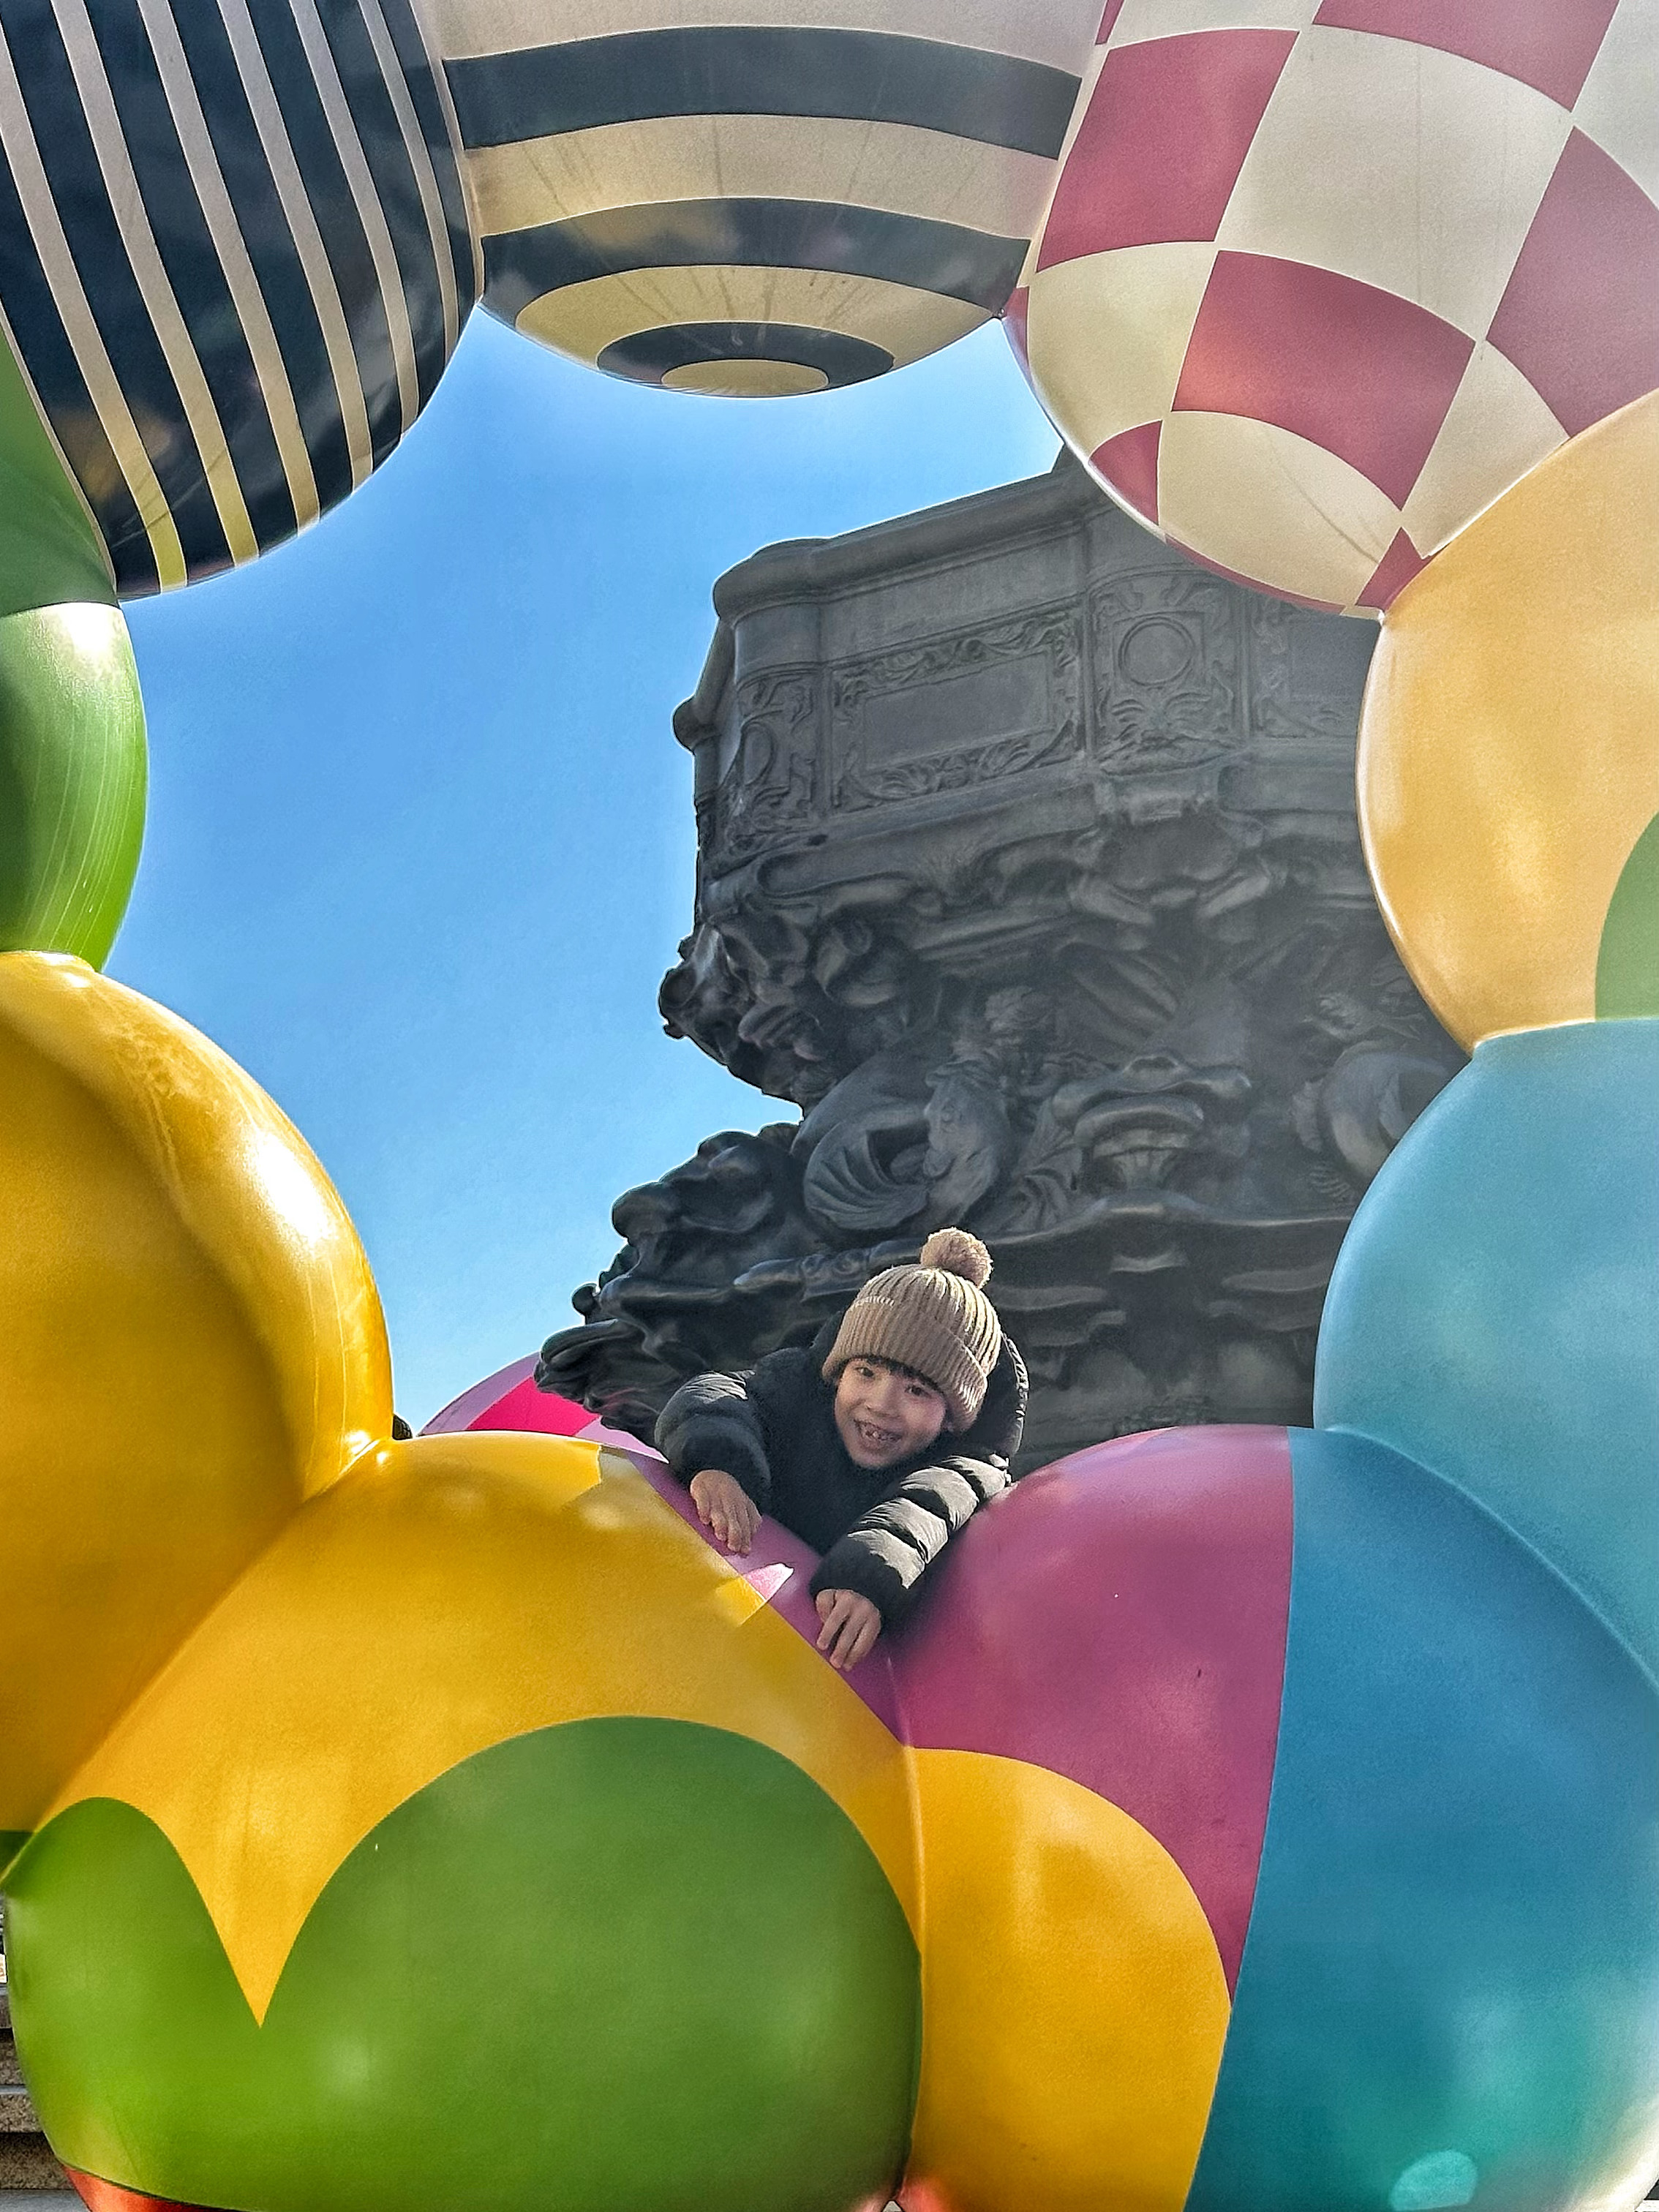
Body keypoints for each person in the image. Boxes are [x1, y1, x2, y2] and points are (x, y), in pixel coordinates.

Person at [655, 1228, 1026, 1671]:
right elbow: (717, 1397)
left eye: (916, 1391)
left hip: (822, 1679)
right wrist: (718, 1463)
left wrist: (869, 1581)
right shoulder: (792, 1391)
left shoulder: (961, 1469)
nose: (881, 1405)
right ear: (837, 1372)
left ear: (950, 1418)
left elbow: (924, 1511)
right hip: (709, 1624)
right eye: (867, 1372)